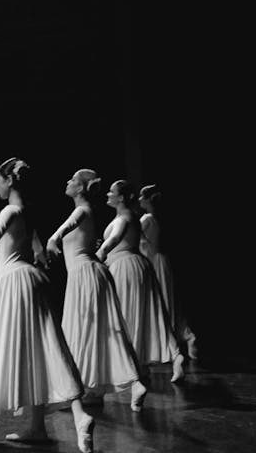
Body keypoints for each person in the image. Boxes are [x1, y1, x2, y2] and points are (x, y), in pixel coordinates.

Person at [0, 158, 95, 452]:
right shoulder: (27, 212)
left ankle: (66, 418)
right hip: (31, 280)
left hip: (16, 282)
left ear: (10, 180)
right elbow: (38, 248)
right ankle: (47, 423)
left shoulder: (11, 210)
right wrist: (40, 255)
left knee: (34, 350)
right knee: (42, 350)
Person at [46, 169, 146, 410]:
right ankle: (98, 389)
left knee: (81, 332)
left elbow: (68, 227)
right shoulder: (88, 211)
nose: (67, 182)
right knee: (97, 333)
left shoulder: (81, 210)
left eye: (72, 180)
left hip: (85, 275)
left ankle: (84, 389)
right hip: (92, 273)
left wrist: (53, 239)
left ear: (80, 188)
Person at [96, 180, 184, 385]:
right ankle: (168, 356)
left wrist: (99, 254)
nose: (107, 195)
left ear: (121, 197)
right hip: (138, 265)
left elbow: (115, 238)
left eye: (111, 192)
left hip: (125, 267)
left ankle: (132, 369)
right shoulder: (133, 216)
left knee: (126, 316)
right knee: (147, 315)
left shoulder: (124, 217)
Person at [139, 183, 198, 360]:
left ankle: (169, 343)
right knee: (169, 301)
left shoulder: (147, 219)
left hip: (154, 262)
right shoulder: (156, 217)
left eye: (142, 196)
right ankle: (186, 335)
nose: (139, 199)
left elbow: (137, 241)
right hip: (160, 260)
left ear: (148, 199)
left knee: (162, 302)